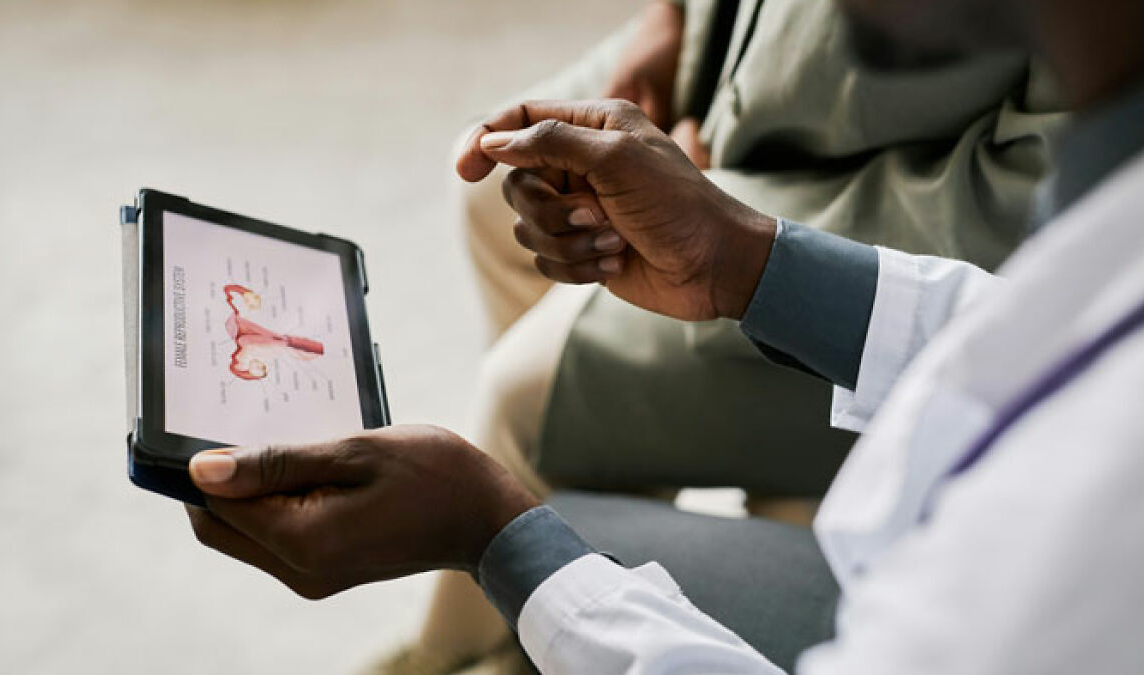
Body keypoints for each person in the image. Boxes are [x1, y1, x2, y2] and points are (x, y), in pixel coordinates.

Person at [185, 0, 1144, 672]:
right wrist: (748, 259)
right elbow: (1027, 334)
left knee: (543, 473)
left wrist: (497, 538)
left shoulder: (1112, 506)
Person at [412, 1, 1064, 669]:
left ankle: (468, 652)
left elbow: (1018, 216)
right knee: (499, 192)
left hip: (876, 192)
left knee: (525, 401)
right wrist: (669, 18)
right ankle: (591, 547)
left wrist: (724, 209)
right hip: (724, 42)